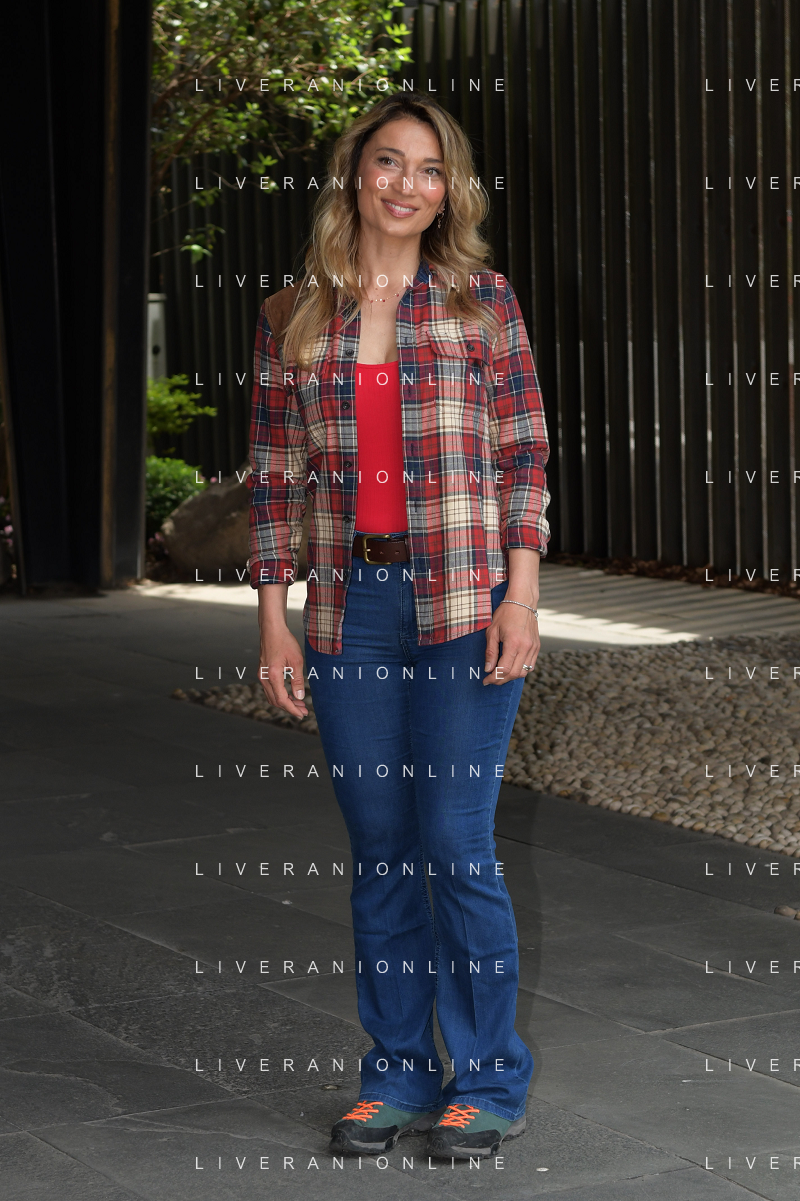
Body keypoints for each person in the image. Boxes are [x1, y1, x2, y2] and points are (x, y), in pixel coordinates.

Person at [247, 92, 550, 1161]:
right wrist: (274, 620)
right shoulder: (292, 315)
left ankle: (488, 1079)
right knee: (380, 853)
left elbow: (522, 453)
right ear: (355, 173)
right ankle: (397, 1074)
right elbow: (274, 480)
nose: (407, 185)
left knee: (456, 848)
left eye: (429, 169)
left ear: (449, 190)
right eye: (389, 161)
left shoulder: (482, 303)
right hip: (349, 612)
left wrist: (521, 595)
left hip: (464, 599)